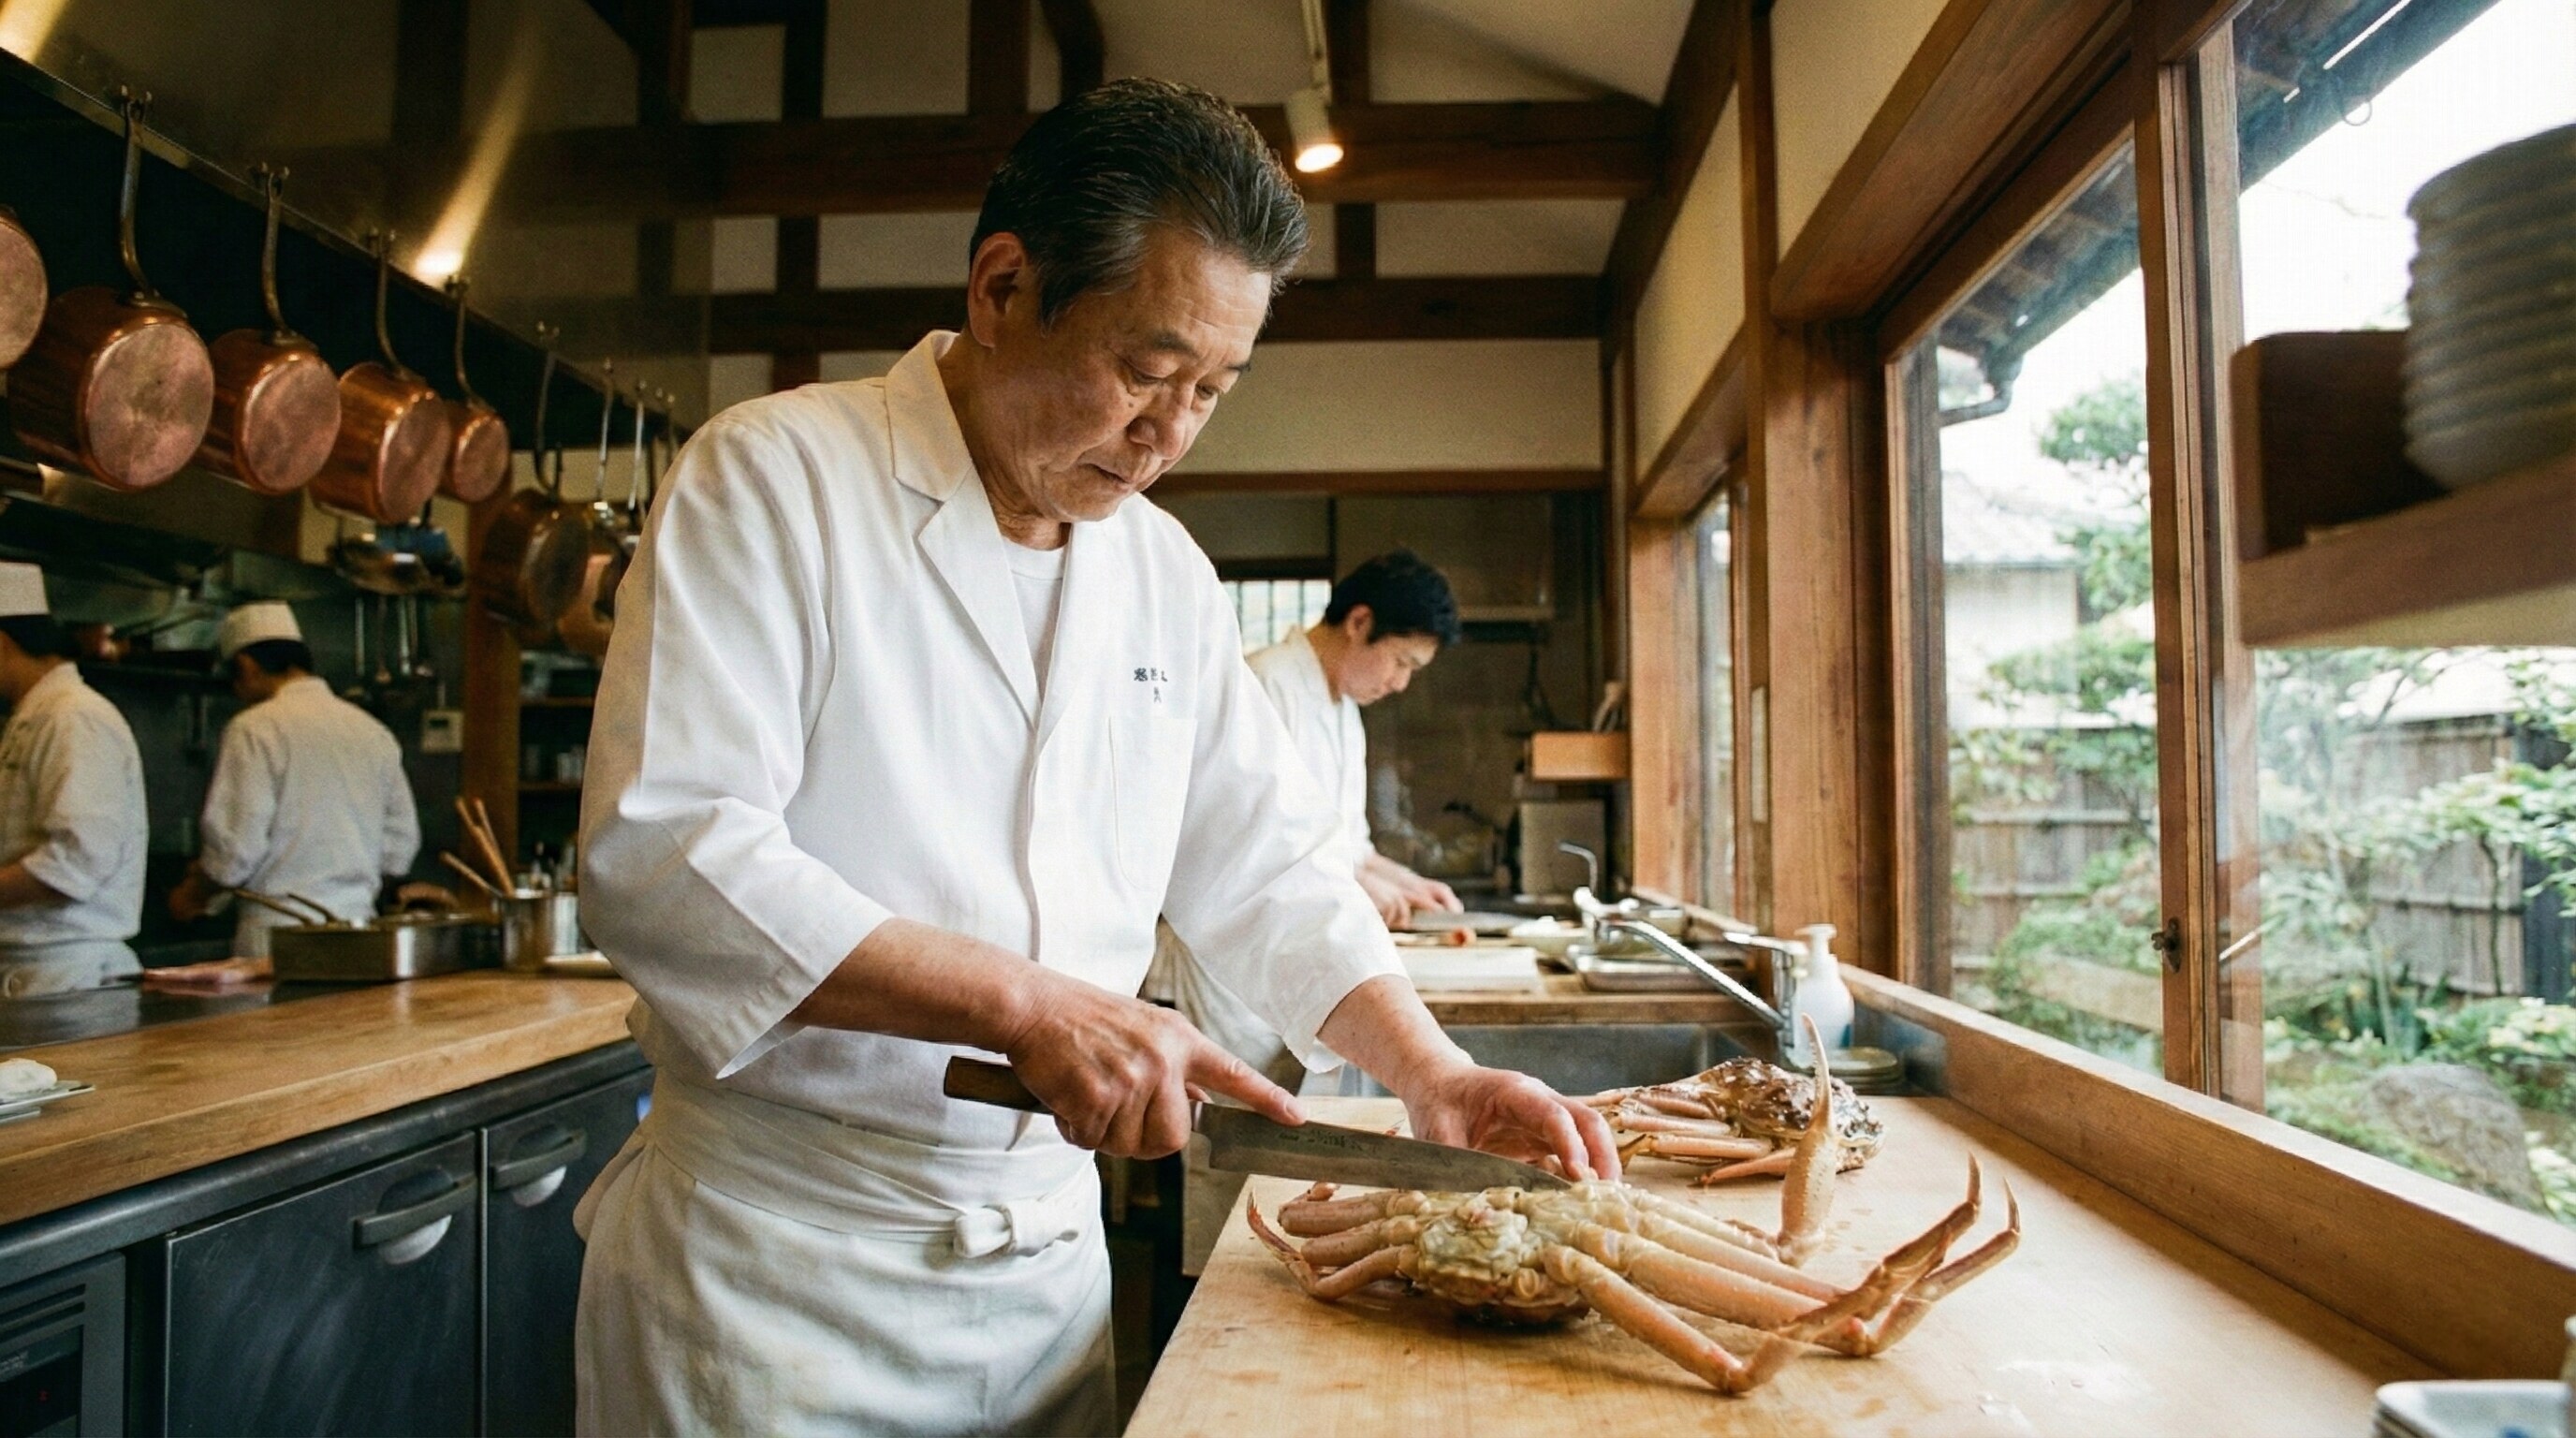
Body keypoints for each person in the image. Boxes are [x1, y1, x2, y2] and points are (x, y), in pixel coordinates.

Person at [571, 79, 1618, 1436]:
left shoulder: (1164, 577)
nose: (1170, 433)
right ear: (1004, 286)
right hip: (776, 1279)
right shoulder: (776, 479)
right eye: (1143, 370)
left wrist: (1430, 1071)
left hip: (1044, 1286)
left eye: (1212, 392)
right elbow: (666, 854)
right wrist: (1026, 1007)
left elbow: (1270, 865)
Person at [168, 603, 419, 957]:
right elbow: (399, 850)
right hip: (360, 936)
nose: (237, 693)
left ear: (247, 666)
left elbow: (236, 849)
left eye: (234, 681)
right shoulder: (372, 732)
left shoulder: (254, 728)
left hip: (278, 940)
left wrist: (192, 895)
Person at [0, 562, 146, 998]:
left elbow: (76, 861)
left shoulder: (73, 717)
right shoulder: (36, 716)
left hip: (66, 974)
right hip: (37, 970)